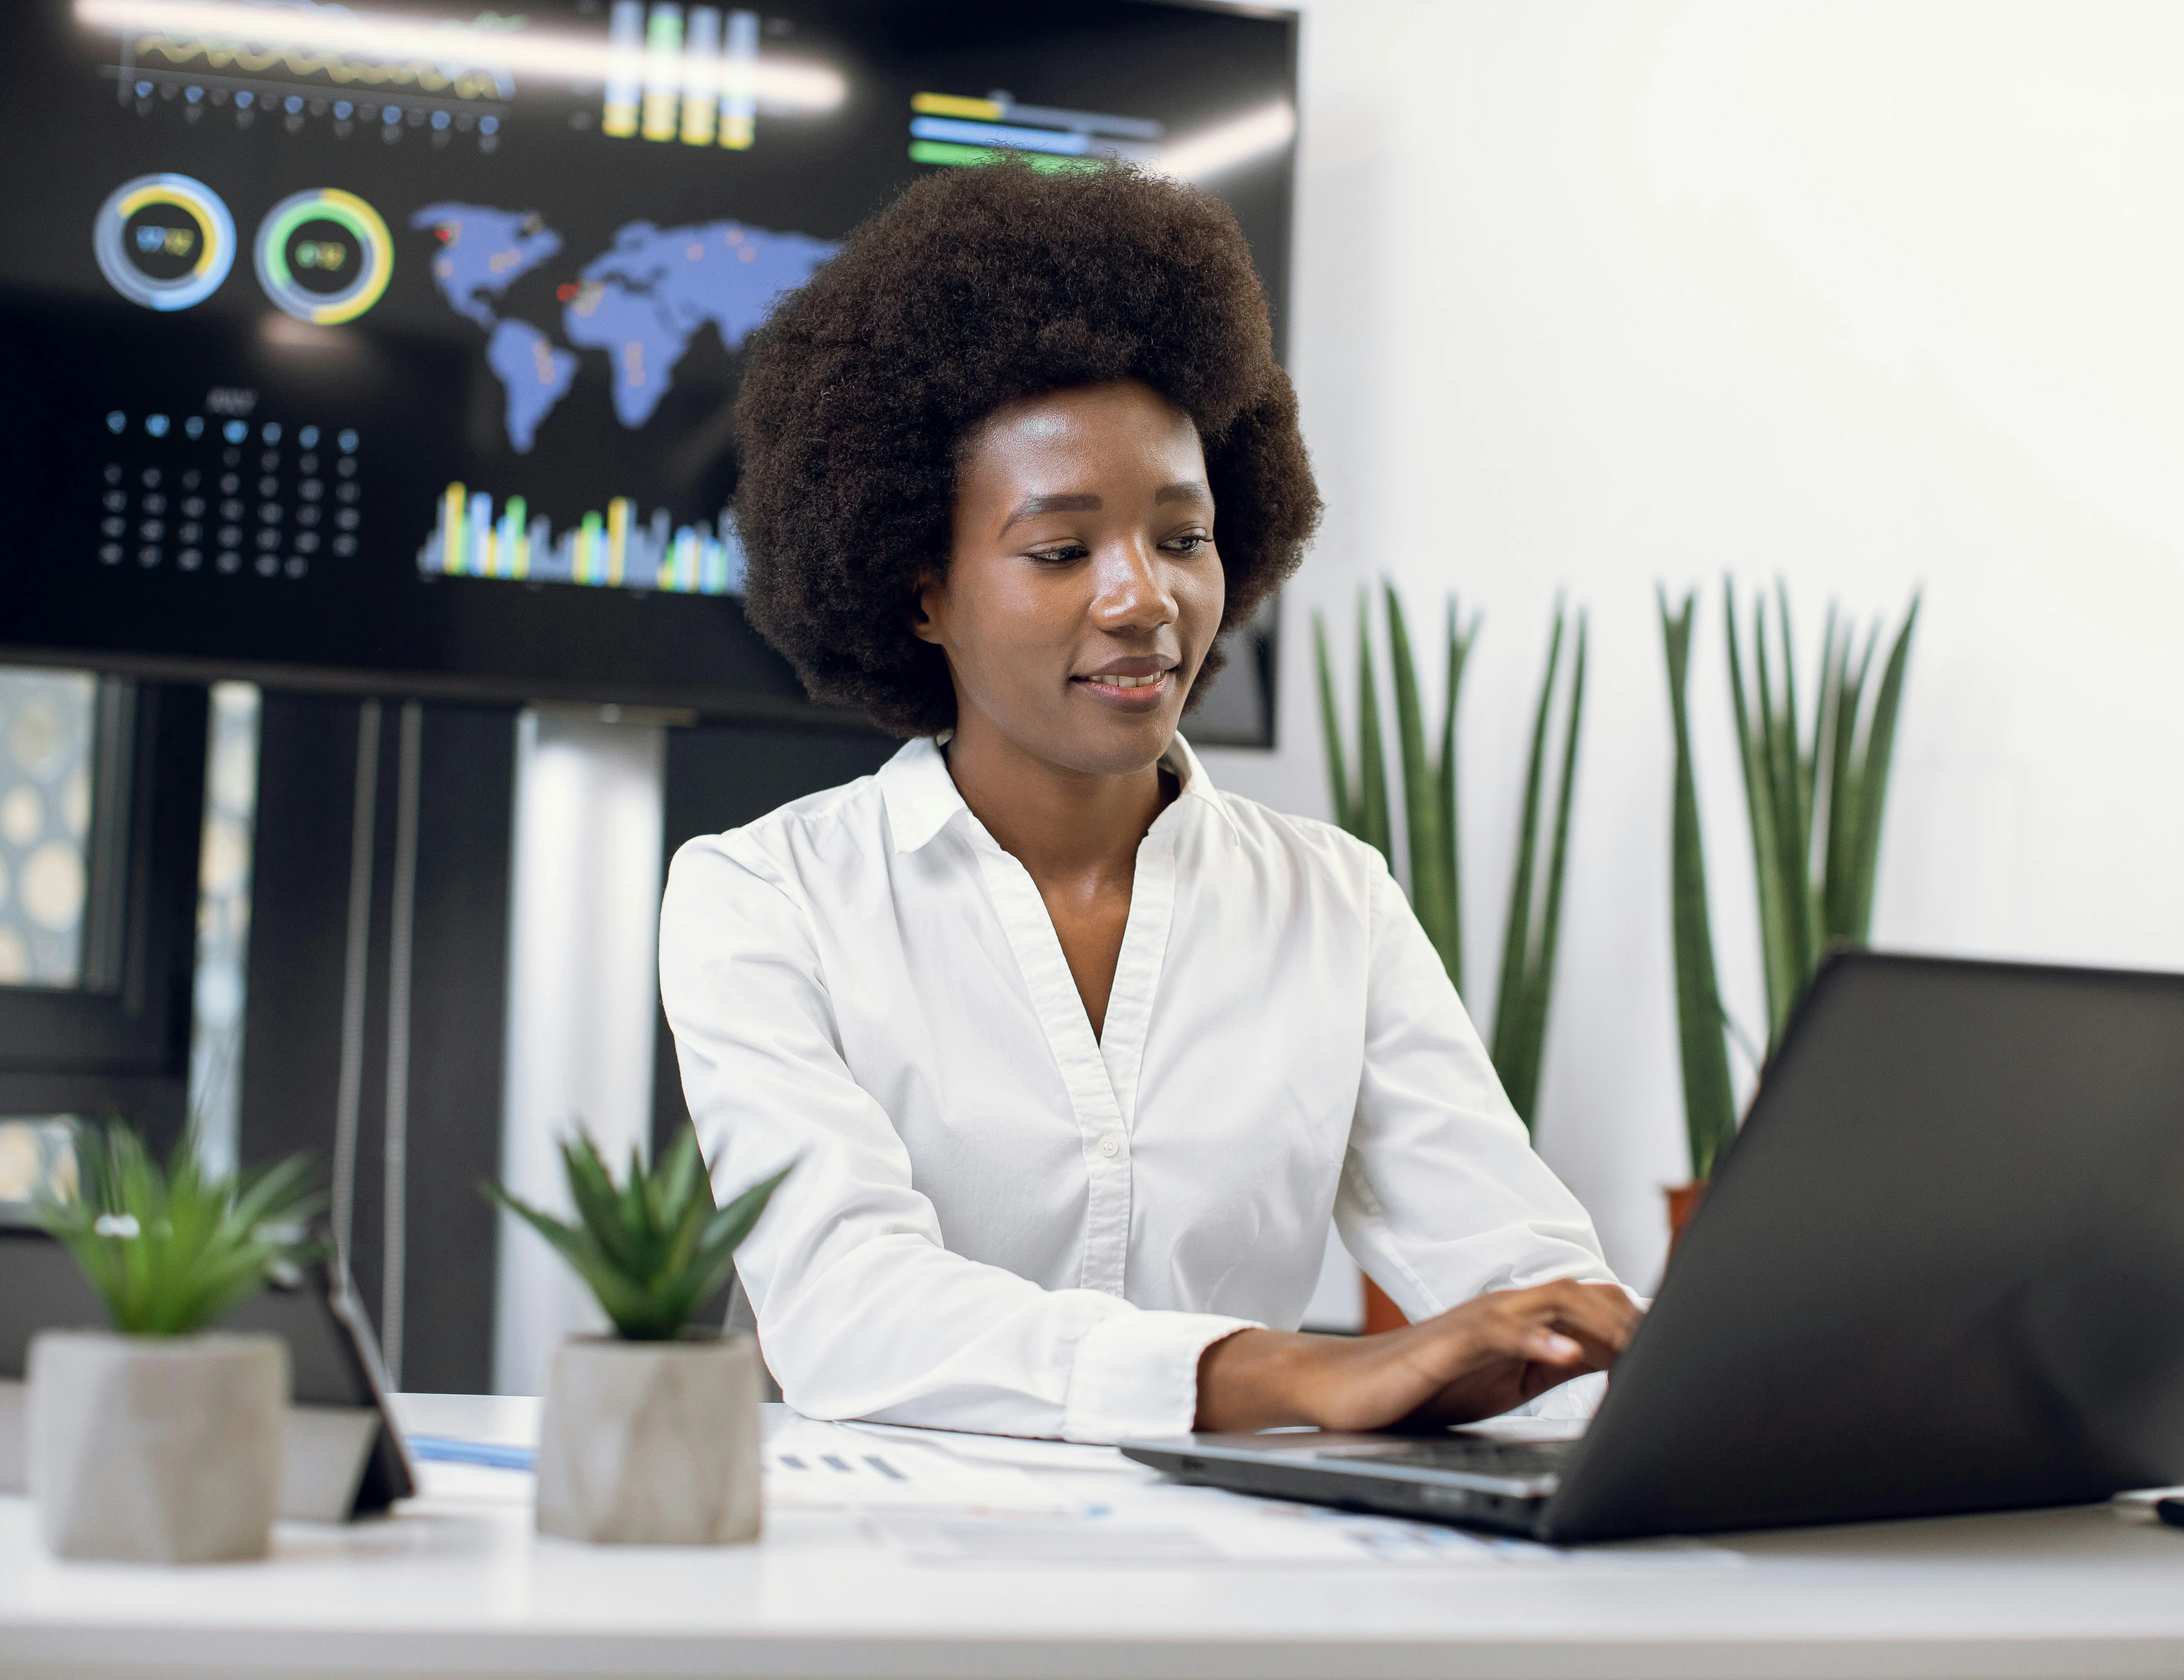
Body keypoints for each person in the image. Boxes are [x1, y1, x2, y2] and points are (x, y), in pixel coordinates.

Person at [659, 160, 1639, 1445]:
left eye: (1182, 538)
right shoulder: (763, 898)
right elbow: (847, 1310)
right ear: (920, 595)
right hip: (891, 1597)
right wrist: (1287, 1376)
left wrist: (1592, 1342)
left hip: (1233, 1598)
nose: (1143, 599)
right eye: (1061, 551)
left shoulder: (1331, 899)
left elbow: (1512, 1263)